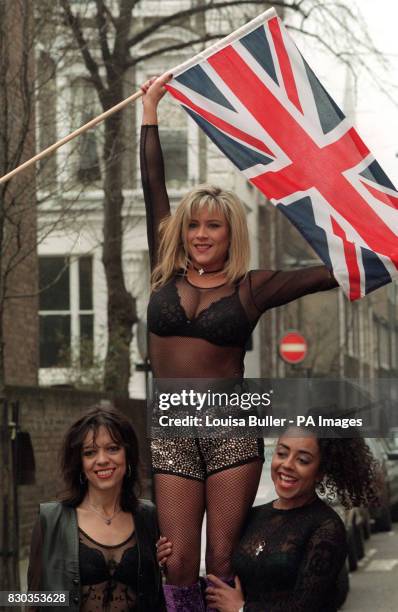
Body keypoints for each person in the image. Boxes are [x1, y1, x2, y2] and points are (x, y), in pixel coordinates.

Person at [140, 73, 338, 610]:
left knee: (222, 561)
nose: (201, 235)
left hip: (231, 432)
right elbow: (153, 185)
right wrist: (151, 112)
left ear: (232, 234)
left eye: (214, 227)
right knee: (178, 560)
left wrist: (378, 250)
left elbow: (327, 274)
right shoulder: (166, 273)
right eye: (194, 226)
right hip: (175, 430)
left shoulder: (251, 287)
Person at [158, 426, 380, 611]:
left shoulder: (327, 527)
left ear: (320, 471)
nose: (287, 465)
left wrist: (242, 609)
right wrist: (170, 561)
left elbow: (306, 606)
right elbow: (224, 581)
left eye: (302, 460)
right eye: (282, 453)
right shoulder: (253, 515)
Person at [27, 405, 164, 612]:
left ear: (128, 456)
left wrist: (167, 566)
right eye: (90, 452)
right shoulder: (51, 519)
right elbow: (34, 599)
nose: (102, 460)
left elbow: (160, 591)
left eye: (112, 448)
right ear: (80, 463)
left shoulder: (149, 516)